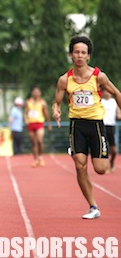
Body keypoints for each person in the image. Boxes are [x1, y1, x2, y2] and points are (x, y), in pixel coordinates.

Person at [52, 36, 121, 219]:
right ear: (71, 55)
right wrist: (56, 111)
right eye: (76, 52)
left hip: (97, 125)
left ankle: (97, 160)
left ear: (88, 56)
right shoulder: (64, 80)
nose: (80, 56)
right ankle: (93, 206)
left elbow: (116, 93)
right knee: (80, 166)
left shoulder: (99, 77)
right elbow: (57, 103)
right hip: (77, 125)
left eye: (83, 52)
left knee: (100, 168)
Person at [24, 86, 52, 167]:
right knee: (33, 142)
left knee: (39, 141)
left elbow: (46, 113)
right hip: (31, 123)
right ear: (32, 93)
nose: (36, 93)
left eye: (37, 92)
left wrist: (49, 124)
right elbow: (26, 112)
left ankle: (40, 157)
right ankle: (35, 159)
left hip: (39, 123)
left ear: (40, 93)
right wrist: (26, 119)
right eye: (34, 92)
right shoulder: (28, 102)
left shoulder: (42, 102)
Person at [101, 88, 121, 173]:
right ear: (103, 92)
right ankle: (105, 167)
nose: (108, 93)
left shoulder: (114, 102)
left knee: (114, 150)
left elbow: (119, 114)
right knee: (104, 149)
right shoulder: (101, 102)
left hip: (111, 126)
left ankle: (112, 161)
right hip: (102, 126)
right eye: (106, 91)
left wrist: (118, 114)